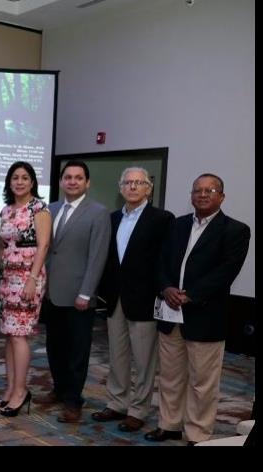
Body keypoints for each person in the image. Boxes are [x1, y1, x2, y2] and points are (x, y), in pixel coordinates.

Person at [145, 173, 250, 445]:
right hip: (170, 312)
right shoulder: (177, 225)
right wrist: (166, 288)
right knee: (169, 376)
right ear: (191, 195)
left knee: (202, 383)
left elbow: (226, 271)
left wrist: (191, 296)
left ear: (221, 197)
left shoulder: (236, 230)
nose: (203, 194)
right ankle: (169, 425)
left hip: (205, 316)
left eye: (210, 190)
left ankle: (197, 433)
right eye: (197, 190)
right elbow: (161, 261)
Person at [92, 167, 174, 432]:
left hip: (145, 301)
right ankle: (116, 403)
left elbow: (165, 260)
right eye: (128, 182)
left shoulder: (162, 219)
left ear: (148, 188)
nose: (133, 187)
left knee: (143, 362)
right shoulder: (112, 218)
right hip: (115, 299)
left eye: (139, 183)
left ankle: (138, 410)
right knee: (117, 357)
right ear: (120, 187)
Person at [38, 160, 110, 423]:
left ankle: (73, 401)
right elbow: (46, 250)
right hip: (51, 293)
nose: (72, 181)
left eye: (78, 178)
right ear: (61, 181)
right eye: (67, 177)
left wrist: (87, 292)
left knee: (77, 351)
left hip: (79, 296)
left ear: (87, 183)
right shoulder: (50, 209)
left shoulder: (98, 212)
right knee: (54, 347)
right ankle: (58, 389)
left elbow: (97, 255)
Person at [0, 162, 51, 417]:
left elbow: (43, 246)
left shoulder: (38, 208)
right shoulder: (6, 210)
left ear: (32, 183)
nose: (19, 182)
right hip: (7, 279)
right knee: (9, 334)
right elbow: (1, 246)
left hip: (28, 279)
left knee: (20, 334)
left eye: (24, 178)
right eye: (15, 178)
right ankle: (10, 388)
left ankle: (21, 391)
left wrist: (31, 279)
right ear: (9, 182)